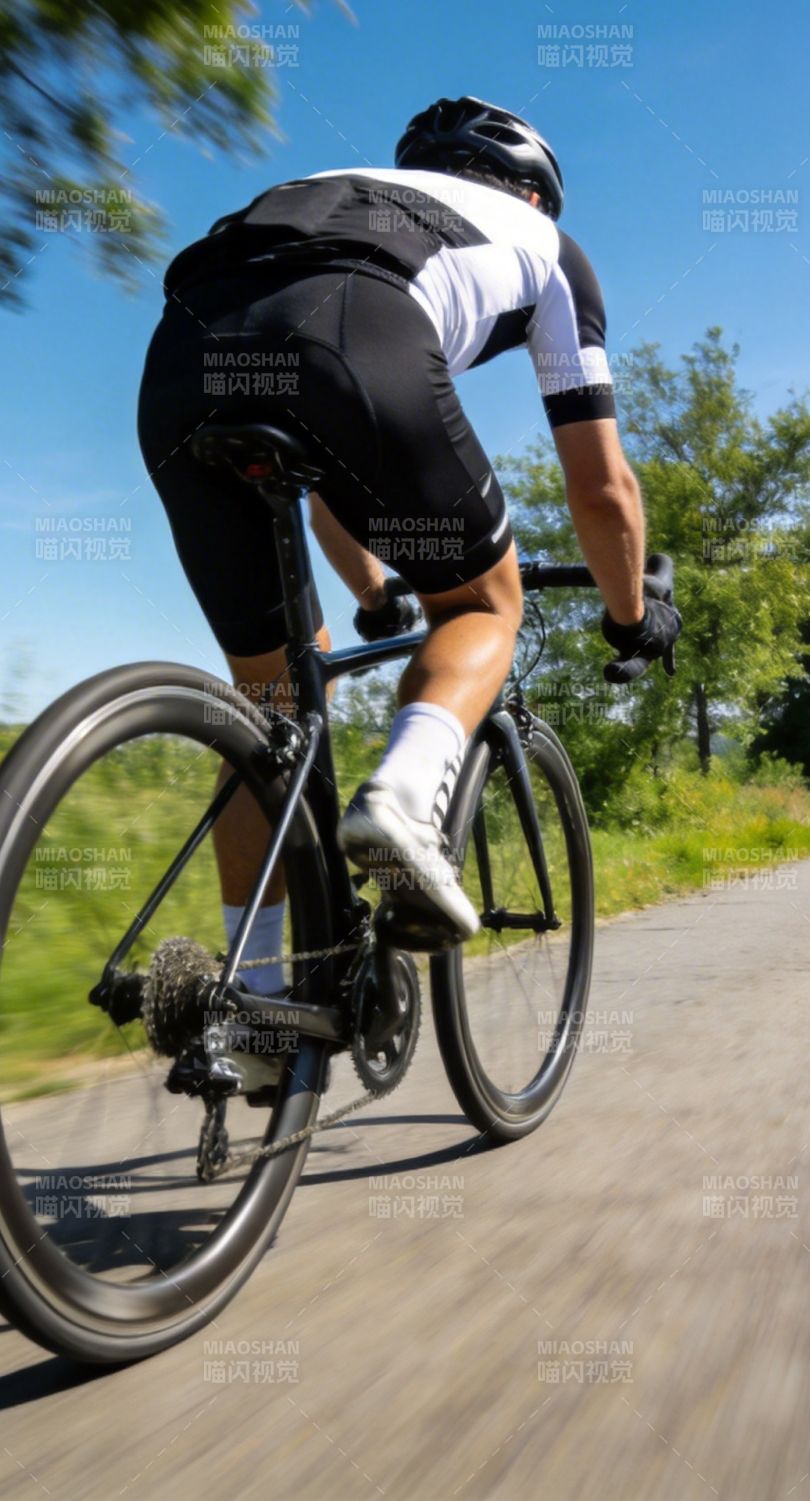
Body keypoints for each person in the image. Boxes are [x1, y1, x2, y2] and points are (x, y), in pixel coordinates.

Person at [137, 96, 679, 978]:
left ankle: (256, 998)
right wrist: (631, 617)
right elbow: (602, 486)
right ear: (536, 194)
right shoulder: (550, 248)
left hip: (180, 354)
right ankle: (402, 801)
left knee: (268, 705)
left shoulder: (330, 185)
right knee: (480, 604)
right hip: (356, 332)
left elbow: (325, 490)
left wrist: (376, 595)